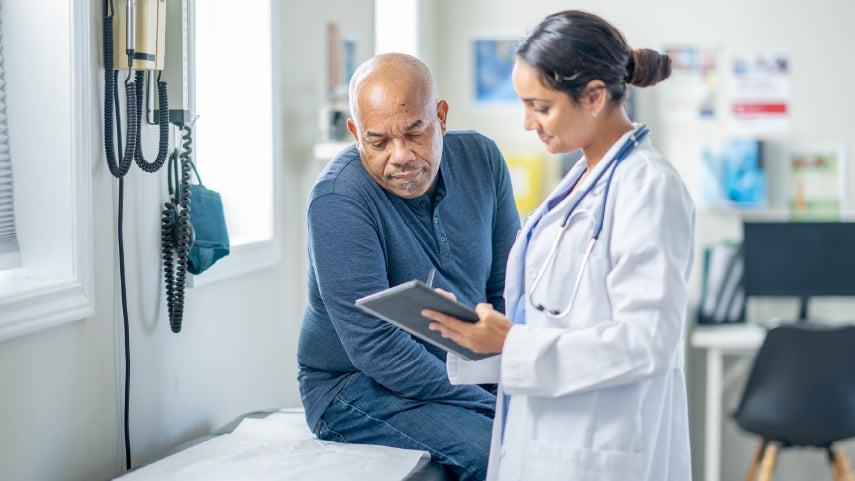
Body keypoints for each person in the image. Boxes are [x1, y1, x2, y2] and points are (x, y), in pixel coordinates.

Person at [422, 10, 695, 481]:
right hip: (547, 438)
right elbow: (554, 319)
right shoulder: (579, 183)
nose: (528, 122)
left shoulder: (649, 186)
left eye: (540, 106)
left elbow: (647, 342)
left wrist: (513, 343)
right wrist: (478, 336)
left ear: (593, 96)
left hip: (602, 449)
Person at [297, 53, 521, 481]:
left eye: (415, 132)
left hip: (463, 371)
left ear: (440, 116)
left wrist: (509, 381)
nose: (400, 156)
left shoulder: (483, 160)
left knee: (545, 439)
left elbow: (506, 289)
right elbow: (374, 345)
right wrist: (485, 402)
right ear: (355, 134)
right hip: (354, 385)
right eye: (378, 141)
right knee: (499, 454)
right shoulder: (339, 201)